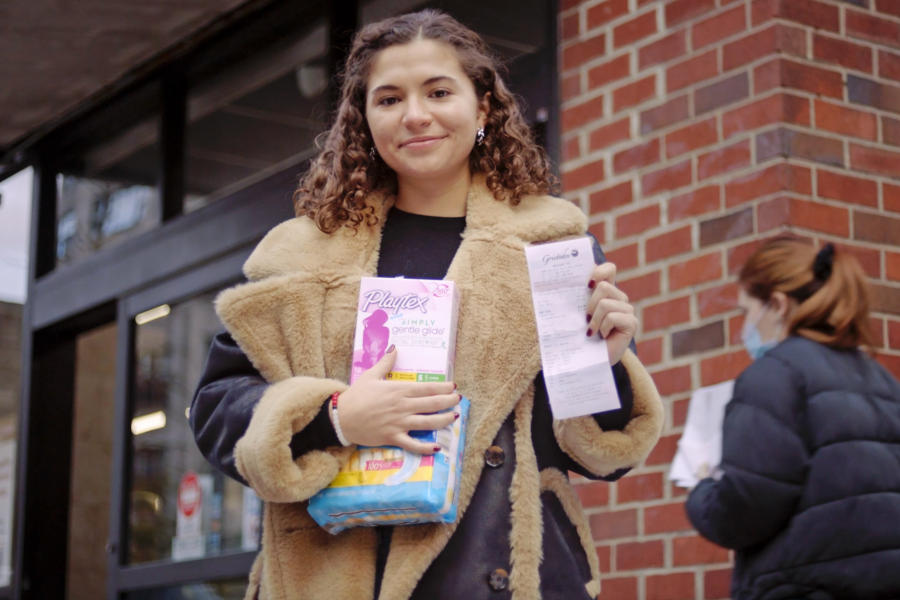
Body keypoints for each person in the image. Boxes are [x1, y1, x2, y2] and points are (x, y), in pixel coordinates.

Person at [190, 10, 663, 600]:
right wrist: (336, 417)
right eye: (389, 99)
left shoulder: (551, 247)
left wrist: (604, 365)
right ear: (364, 118)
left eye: (439, 92)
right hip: (338, 574)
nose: (415, 115)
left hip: (498, 572)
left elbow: (603, 458)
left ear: (483, 107)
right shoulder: (302, 256)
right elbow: (216, 409)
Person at [686, 237, 900, 600]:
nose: (745, 327)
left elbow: (746, 507)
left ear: (778, 305)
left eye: (746, 311)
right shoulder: (883, 381)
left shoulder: (774, 376)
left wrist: (702, 491)